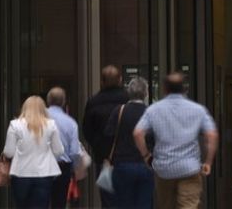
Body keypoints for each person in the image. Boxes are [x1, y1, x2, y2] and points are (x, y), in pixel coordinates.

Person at [134, 72, 219, 209]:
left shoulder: (154, 110)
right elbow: (212, 135)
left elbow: (138, 133)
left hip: (164, 169)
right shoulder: (198, 110)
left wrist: (146, 156)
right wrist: (208, 162)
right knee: (189, 205)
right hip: (189, 168)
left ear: (165, 89)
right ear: (184, 89)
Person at [2, 96, 65, 209]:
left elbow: (9, 152)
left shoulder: (15, 125)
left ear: (24, 108)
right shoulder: (51, 125)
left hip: (20, 173)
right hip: (45, 173)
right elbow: (59, 150)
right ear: (43, 109)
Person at [104, 77, 154, 209]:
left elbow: (108, 136)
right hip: (145, 164)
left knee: (122, 203)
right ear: (146, 93)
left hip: (122, 163)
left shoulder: (119, 111)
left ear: (128, 92)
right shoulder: (150, 113)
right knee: (144, 203)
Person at [82, 65, 128, 207]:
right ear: (120, 80)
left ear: (102, 81)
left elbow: (87, 130)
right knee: (127, 198)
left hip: (104, 159)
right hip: (128, 157)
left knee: (108, 200)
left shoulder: (93, 102)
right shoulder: (128, 99)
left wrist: (98, 146)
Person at [45, 87, 81, 209]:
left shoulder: (39, 118)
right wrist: (74, 169)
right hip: (63, 167)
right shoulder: (70, 122)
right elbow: (75, 151)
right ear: (63, 101)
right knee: (59, 203)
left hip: (41, 165)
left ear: (48, 100)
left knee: (40, 202)